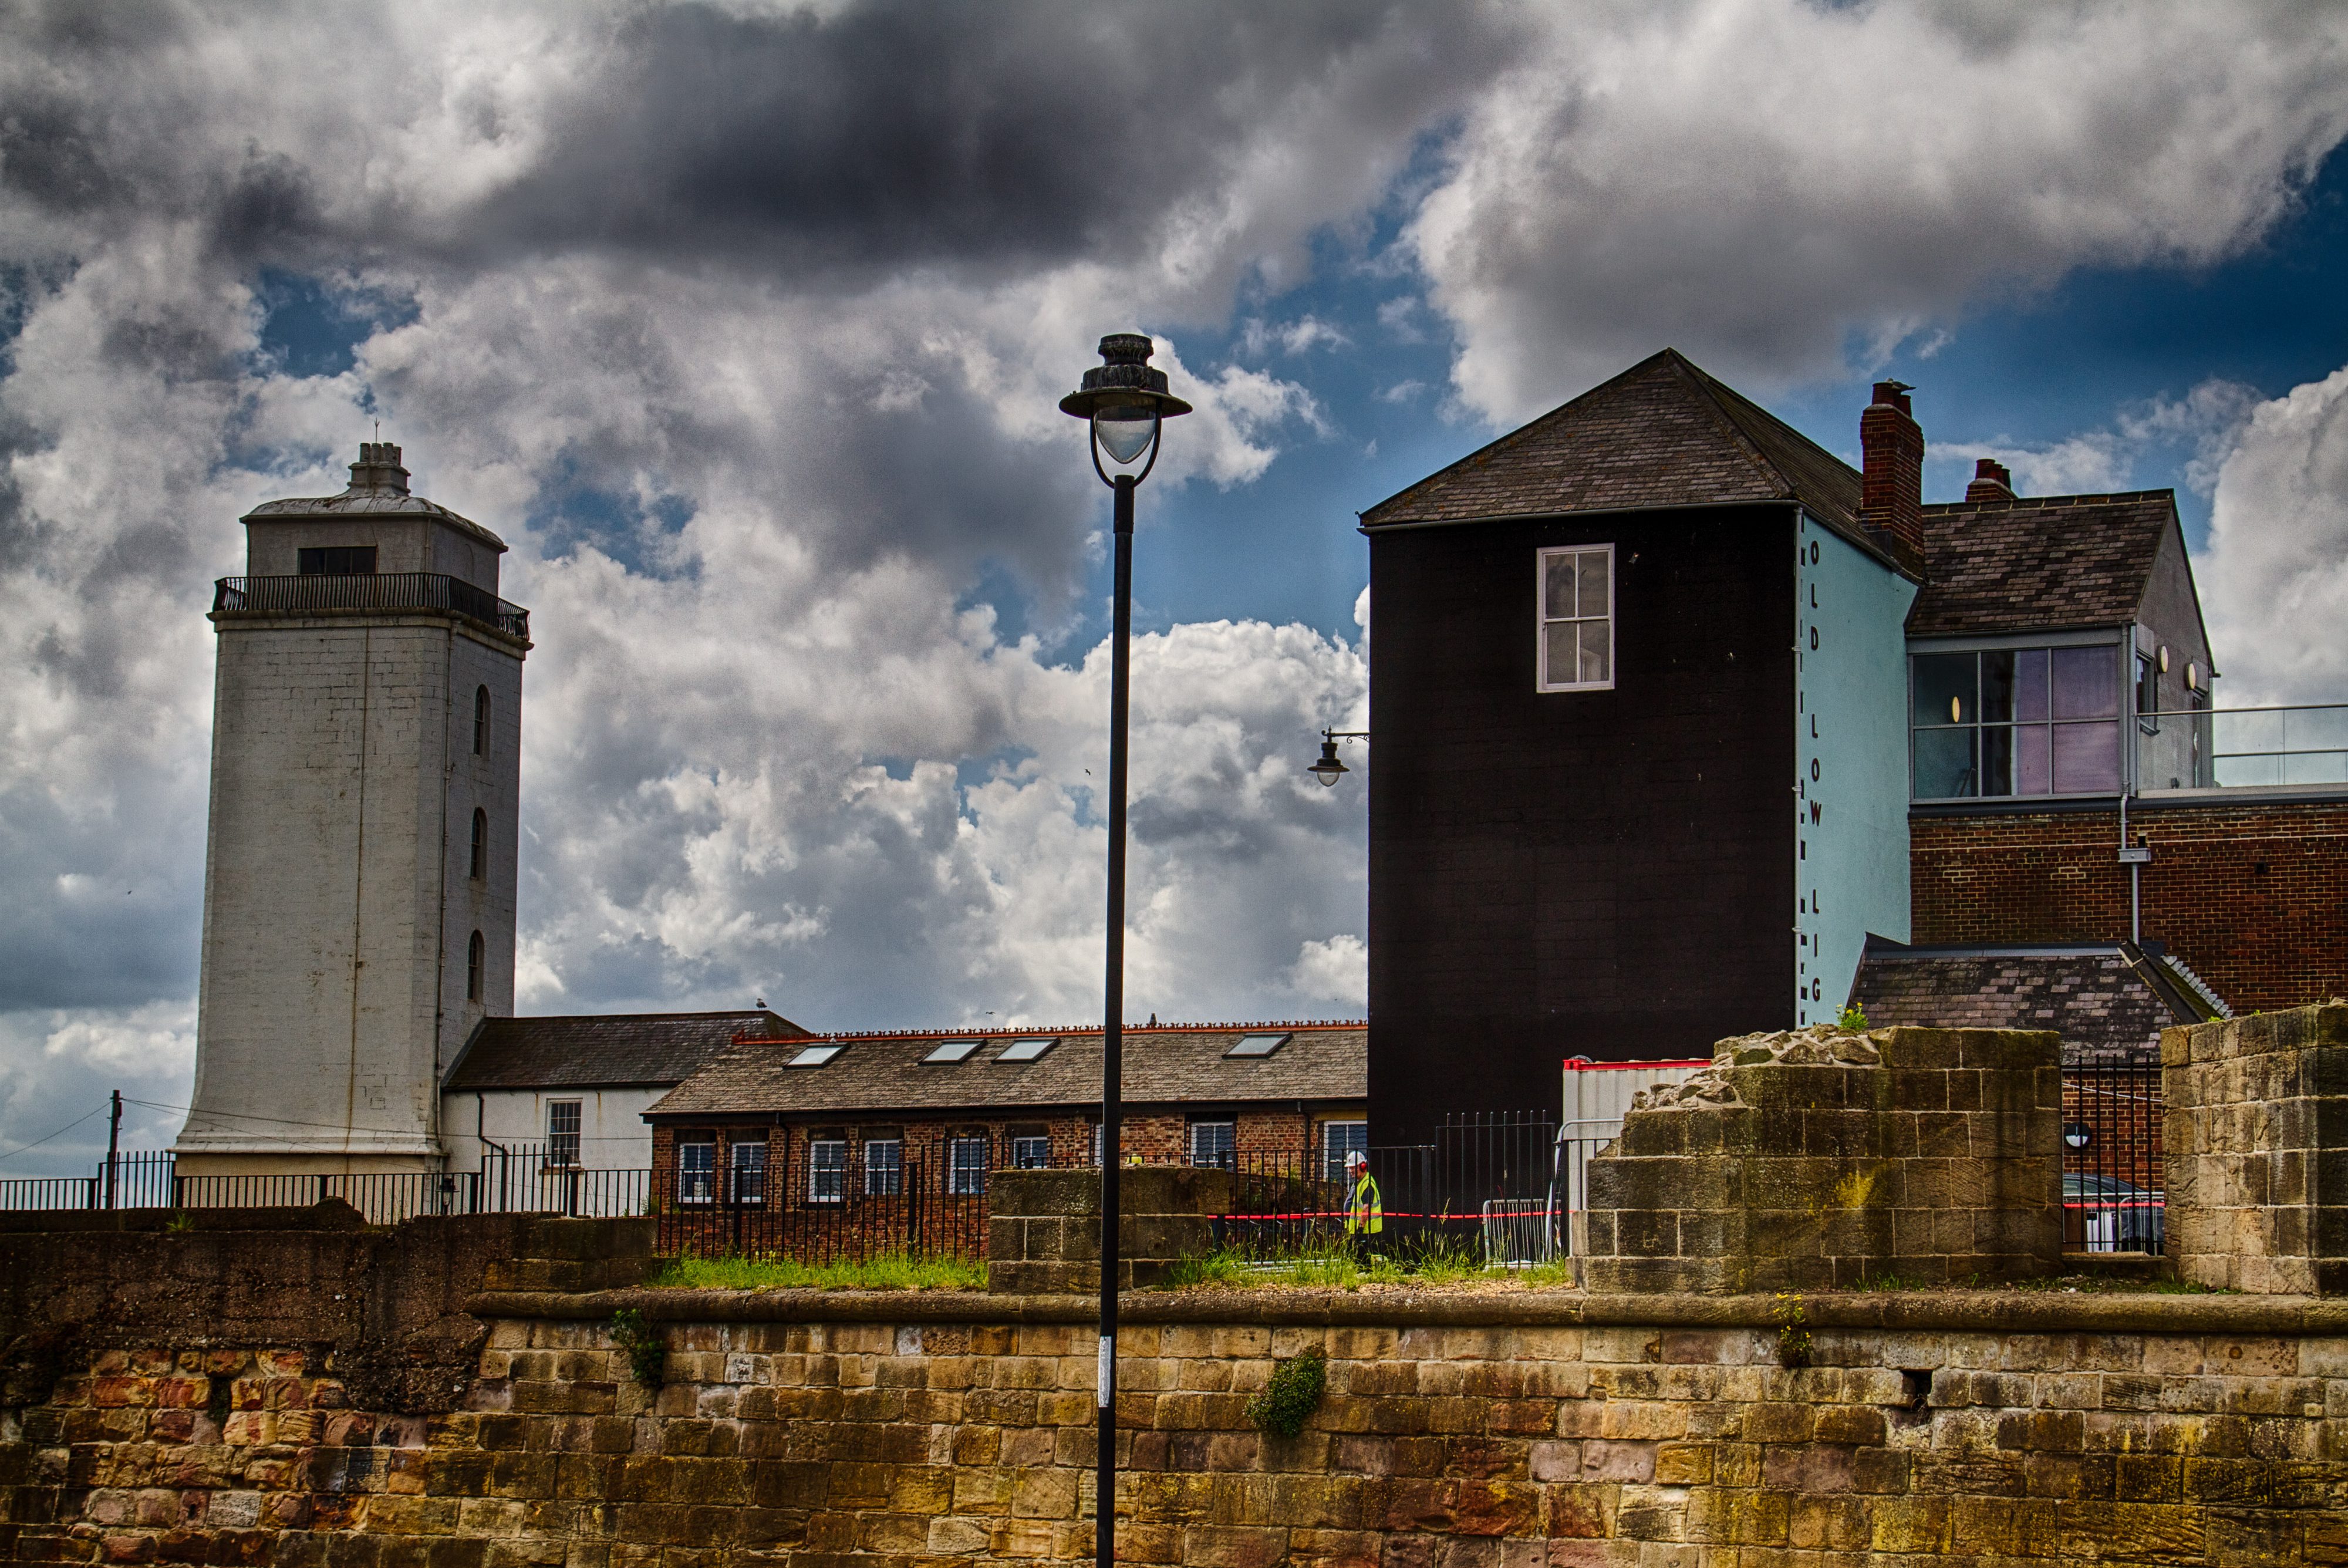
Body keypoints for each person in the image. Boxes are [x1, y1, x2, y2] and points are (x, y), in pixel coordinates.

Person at [1343, 1150, 1382, 1263]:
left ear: (1363, 1166)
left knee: (1364, 1259)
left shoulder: (1367, 1184)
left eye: (1353, 1168)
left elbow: (1366, 1208)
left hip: (1366, 1230)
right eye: (1349, 1168)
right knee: (1355, 1257)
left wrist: (1360, 1227)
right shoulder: (1359, 1182)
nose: (1351, 1171)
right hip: (1358, 1229)